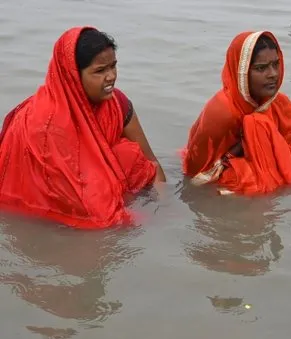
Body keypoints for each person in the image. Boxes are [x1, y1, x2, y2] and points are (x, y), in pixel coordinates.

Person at [0, 27, 166, 229]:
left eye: (113, 66)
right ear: (72, 75)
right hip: (48, 219)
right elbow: (49, 190)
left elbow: (152, 163)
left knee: (127, 155)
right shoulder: (42, 123)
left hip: (110, 204)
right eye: (100, 71)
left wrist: (163, 209)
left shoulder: (117, 104)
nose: (111, 76)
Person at [182, 31, 291, 195]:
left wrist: (257, 139)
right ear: (240, 72)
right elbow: (196, 171)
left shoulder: (279, 103)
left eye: (276, 64)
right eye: (261, 68)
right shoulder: (222, 111)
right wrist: (243, 144)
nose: (273, 74)